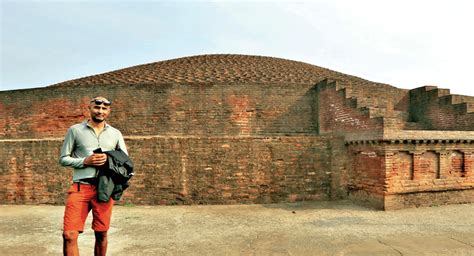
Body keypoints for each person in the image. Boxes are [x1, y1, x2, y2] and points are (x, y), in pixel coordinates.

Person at [59, 96, 127, 256]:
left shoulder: (116, 134)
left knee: (101, 233)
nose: (100, 111)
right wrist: (85, 161)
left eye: (104, 108)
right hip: (80, 187)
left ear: (109, 111)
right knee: (69, 234)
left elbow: (125, 161)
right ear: (89, 108)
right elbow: (63, 159)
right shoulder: (75, 130)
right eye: (97, 107)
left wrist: (109, 159)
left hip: (105, 189)